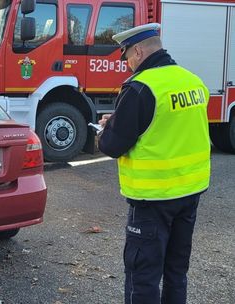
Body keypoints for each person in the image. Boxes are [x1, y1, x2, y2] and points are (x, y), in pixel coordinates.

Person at [98, 23, 211, 304]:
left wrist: (104, 131)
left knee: (143, 276)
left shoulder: (141, 87)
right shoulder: (192, 81)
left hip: (153, 199)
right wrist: (119, 123)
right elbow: (169, 127)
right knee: (176, 271)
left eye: (126, 58)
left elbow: (113, 145)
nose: (127, 65)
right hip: (189, 193)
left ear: (138, 51)